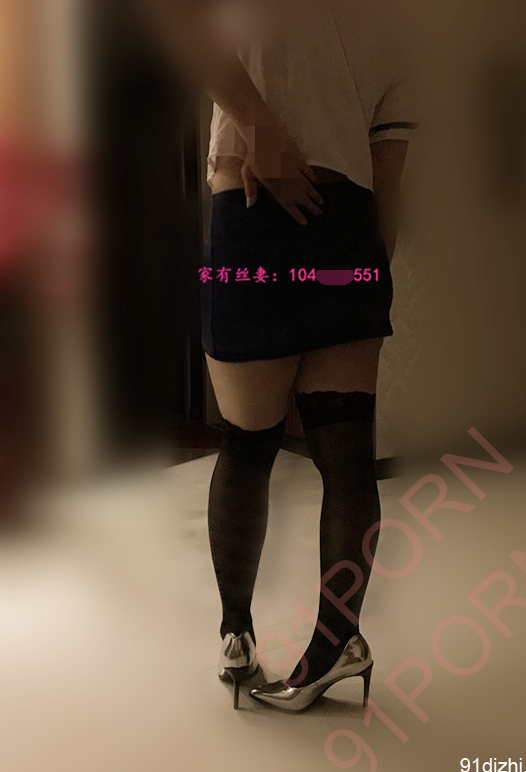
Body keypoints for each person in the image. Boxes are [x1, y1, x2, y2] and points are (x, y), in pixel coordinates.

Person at [151, 0, 417, 710]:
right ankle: (334, 641)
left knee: (249, 444)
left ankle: (242, 635)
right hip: (342, 233)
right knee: (341, 455)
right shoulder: (396, 25)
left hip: (257, 223)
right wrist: (363, 280)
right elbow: (387, 182)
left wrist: (259, 129)